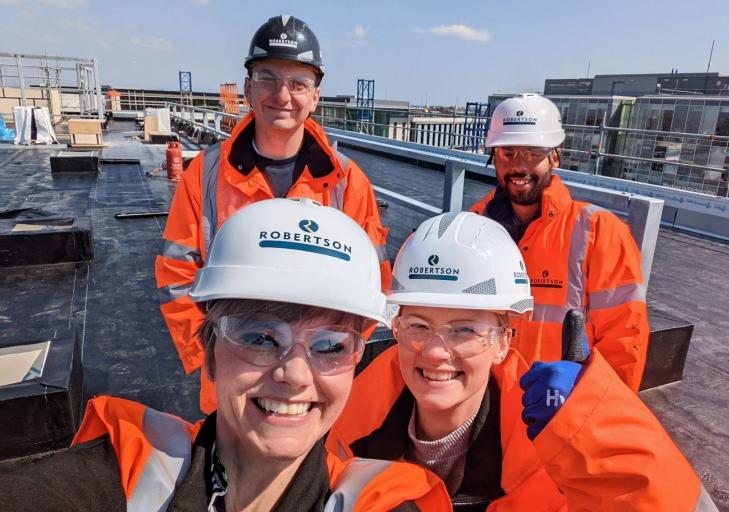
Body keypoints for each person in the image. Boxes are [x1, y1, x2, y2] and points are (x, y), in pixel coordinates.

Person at [0, 199, 450, 511]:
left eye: (330, 345)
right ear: (209, 351)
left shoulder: (375, 499)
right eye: (259, 337)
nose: (294, 374)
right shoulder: (126, 474)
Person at [327, 211, 717, 511]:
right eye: (417, 325)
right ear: (394, 326)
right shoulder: (340, 430)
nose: (433, 351)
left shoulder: (551, 463)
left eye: (464, 330)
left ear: (504, 342)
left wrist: (597, 434)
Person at [156, 15, 391, 414]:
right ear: (248, 88)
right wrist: (210, 359)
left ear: (315, 96)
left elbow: (375, 285)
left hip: (311, 385)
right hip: (236, 381)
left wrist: (336, 360)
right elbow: (176, 275)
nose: (282, 94)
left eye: (298, 83)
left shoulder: (347, 183)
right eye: (268, 78)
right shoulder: (206, 175)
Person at [469, 93, 649, 391]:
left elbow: (624, 340)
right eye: (508, 153)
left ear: (555, 155)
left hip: (558, 406)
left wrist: (593, 412)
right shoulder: (472, 227)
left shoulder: (599, 232)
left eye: (532, 152)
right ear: (493, 157)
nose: (519, 166)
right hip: (487, 402)